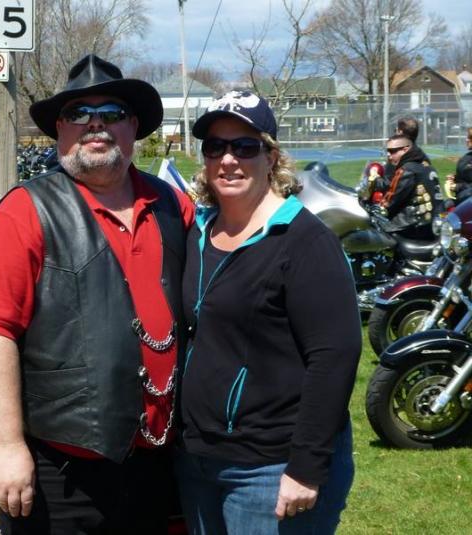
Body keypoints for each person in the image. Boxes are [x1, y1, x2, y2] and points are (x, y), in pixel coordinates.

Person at [0, 54, 194, 534]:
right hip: (61, 472)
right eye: (78, 114)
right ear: (60, 130)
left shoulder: (173, 204)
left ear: (133, 127)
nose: (95, 125)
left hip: (158, 460)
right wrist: (6, 447)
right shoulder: (25, 211)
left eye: (111, 113)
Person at [176, 90, 361, 534]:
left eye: (244, 146)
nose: (228, 159)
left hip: (270, 469)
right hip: (198, 458)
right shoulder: (197, 232)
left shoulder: (303, 240)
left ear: (271, 155)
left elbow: (335, 356)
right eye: (215, 146)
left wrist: (306, 467)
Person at [381, 134, 441, 239]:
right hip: (434, 223)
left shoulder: (406, 170)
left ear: (405, 149)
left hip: (412, 227)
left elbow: (391, 201)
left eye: (392, 151)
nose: (389, 155)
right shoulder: (427, 165)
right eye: (387, 151)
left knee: (378, 230)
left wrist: (379, 207)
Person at [446, 127, 472, 204]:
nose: (467, 140)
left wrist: (457, 186)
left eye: (470, 138)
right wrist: (454, 178)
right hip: (462, 199)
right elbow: (465, 177)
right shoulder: (467, 157)